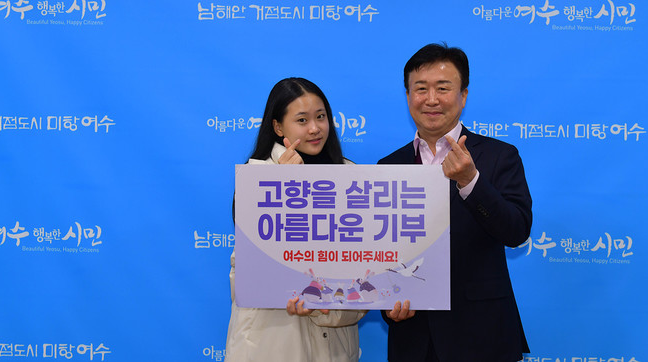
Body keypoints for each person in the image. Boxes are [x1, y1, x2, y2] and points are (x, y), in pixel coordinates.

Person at [379, 43, 532, 362]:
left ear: (463, 96)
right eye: (421, 88)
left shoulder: (499, 156)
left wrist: (470, 181)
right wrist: (386, 304)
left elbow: (516, 231)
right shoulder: (388, 166)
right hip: (413, 338)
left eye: (443, 88)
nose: (431, 99)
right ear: (408, 96)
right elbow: (379, 252)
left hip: (482, 335)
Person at [225, 77, 366, 362]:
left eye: (321, 117)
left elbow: (363, 272)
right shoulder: (258, 178)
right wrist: (286, 187)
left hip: (334, 346)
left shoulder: (352, 178)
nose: (315, 128)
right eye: (302, 120)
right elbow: (250, 273)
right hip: (271, 345)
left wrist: (325, 306)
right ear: (278, 127)